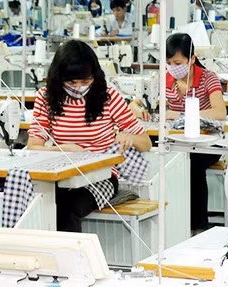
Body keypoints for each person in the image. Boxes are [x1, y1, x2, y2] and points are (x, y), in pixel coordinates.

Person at [27, 40, 152, 232]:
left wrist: (129, 137)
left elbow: (146, 143)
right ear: (58, 78)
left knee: (67, 210)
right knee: (34, 206)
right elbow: (33, 147)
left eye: (85, 81)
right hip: (62, 176)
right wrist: (61, 150)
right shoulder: (46, 98)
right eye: (71, 82)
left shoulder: (108, 97)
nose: (79, 87)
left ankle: (73, 261)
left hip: (101, 177)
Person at [132, 33, 226, 234]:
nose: (173, 67)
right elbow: (136, 101)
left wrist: (180, 114)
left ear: (192, 59)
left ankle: (197, 226)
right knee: (157, 161)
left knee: (190, 165)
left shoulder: (208, 78)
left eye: (177, 62)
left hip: (206, 142)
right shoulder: (164, 80)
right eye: (168, 62)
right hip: (174, 140)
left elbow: (220, 112)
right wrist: (139, 109)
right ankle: (168, 224)